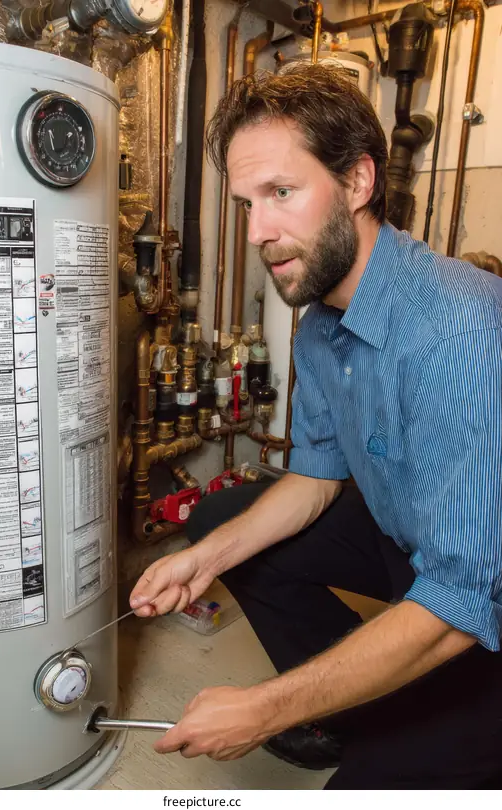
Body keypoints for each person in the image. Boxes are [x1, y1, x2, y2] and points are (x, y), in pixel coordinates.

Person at [129, 64, 502, 789]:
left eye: (281, 193)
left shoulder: (461, 324)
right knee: (221, 517)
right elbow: (314, 477)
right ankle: (371, 701)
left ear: (360, 183)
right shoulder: (320, 326)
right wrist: (201, 562)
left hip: (478, 597)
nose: (258, 232)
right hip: (408, 540)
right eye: (246, 204)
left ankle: (405, 709)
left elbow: (461, 601)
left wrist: (264, 710)